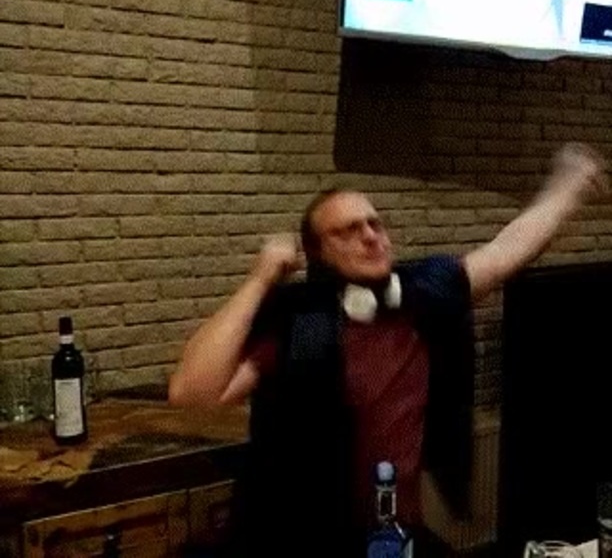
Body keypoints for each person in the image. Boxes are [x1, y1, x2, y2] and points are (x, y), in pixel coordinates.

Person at [168, 142, 607, 557]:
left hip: (395, 533)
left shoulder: (422, 293)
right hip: (306, 536)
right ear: (318, 253)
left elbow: (506, 251)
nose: (370, 236)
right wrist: (260, 277)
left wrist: (566, 188)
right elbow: (194, 394)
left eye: (375, 224)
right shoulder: (304, 323)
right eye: (348, 230)